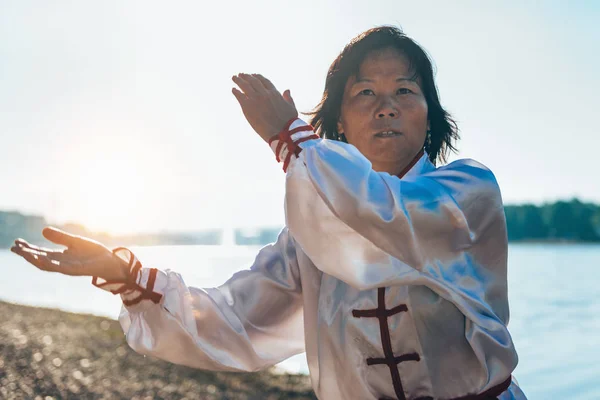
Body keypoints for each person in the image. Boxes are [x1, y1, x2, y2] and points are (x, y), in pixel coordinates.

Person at [11, 26, 527, 399]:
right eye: (364, 92)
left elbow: (387, 220)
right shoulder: (309, 238)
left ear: (430, 116)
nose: (385, 106)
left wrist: (292, 140)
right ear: (340, 123)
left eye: (405, 92)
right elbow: (236, 320)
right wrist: (129, 276)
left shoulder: (466, 192)